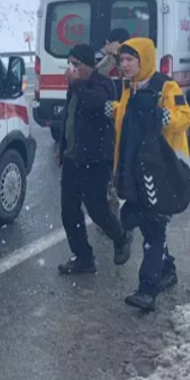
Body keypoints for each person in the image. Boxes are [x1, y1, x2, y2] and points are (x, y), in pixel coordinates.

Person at [105, 37, 190, 311]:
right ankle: (166, 269)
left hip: (162, 168)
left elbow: (185, 115)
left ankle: (148, 288)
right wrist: (117, 109)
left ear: (144, 60)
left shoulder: (165, 86)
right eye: (122, 60)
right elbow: (134, 117)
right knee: (143, 221)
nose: (125, 65)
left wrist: (168, 117)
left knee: (154, 227)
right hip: (135, 168)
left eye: (131, 60)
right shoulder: (129, 88)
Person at [57, 44, 133, 274]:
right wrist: (62, 147)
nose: (71, 69)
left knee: (96, 207)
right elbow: (69, 117)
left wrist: (77, 83)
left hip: (95, 157)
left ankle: (120, 237)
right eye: (69, 64)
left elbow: (96, 103)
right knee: (69, 209)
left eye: (76, 64)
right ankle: (82, 256)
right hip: (73, 156)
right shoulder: (76, 87)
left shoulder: (102, 84)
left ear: (89, 65)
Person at [97, 27, 130, 96]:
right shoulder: (106, 58)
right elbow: (98, 75)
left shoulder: (129, 59)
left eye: (108, 43)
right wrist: (111, 56)